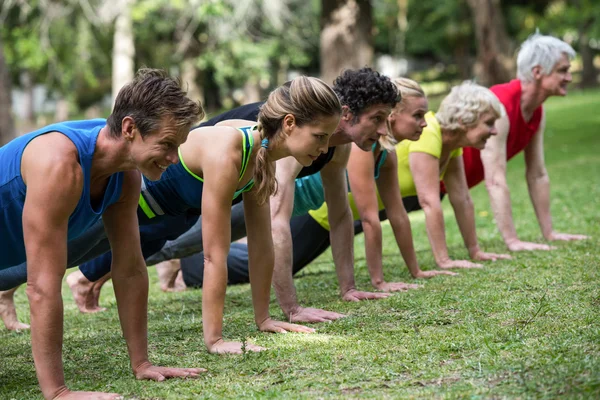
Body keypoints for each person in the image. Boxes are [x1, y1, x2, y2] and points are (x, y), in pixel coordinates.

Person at [67, 68, 401, 324]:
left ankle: (84, 277)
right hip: (186, 181)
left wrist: (348, 288)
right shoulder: (284, 141)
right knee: (167, 243)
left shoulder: (327, 145)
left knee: (154, 241)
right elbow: (275, 224)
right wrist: (291, 309)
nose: (385, 131)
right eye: (377, 119)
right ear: (346, 114)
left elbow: (339, 216)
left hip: (210, 193)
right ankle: (74, 277)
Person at [175, 80, 512, 287]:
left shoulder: (365, 149)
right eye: (381, 118)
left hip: (284, 198)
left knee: (197, 239)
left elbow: (379, 214)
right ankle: (182, 267)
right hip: (249, 184)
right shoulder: (315, 140)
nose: (385, 128)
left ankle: (179, 263)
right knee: (182, 239)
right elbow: (368, 215)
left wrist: (374, 282)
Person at [0, 69, 204, 400]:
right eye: (167, 144)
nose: (173, 158)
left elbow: (130, 268)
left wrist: (142, 364)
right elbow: (40, 287)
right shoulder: (59, 164)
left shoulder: (125, 177)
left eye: (177, 146)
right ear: (129, 129)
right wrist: (58, 393)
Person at [458, 33, 589, 250]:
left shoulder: (537, 110)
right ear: (537, 72)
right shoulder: (499, 106)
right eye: (562, 70)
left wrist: (549, 233)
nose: (569, 77)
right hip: (427, 181)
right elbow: (495, 180)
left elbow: (537, 174)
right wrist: (512, 241)